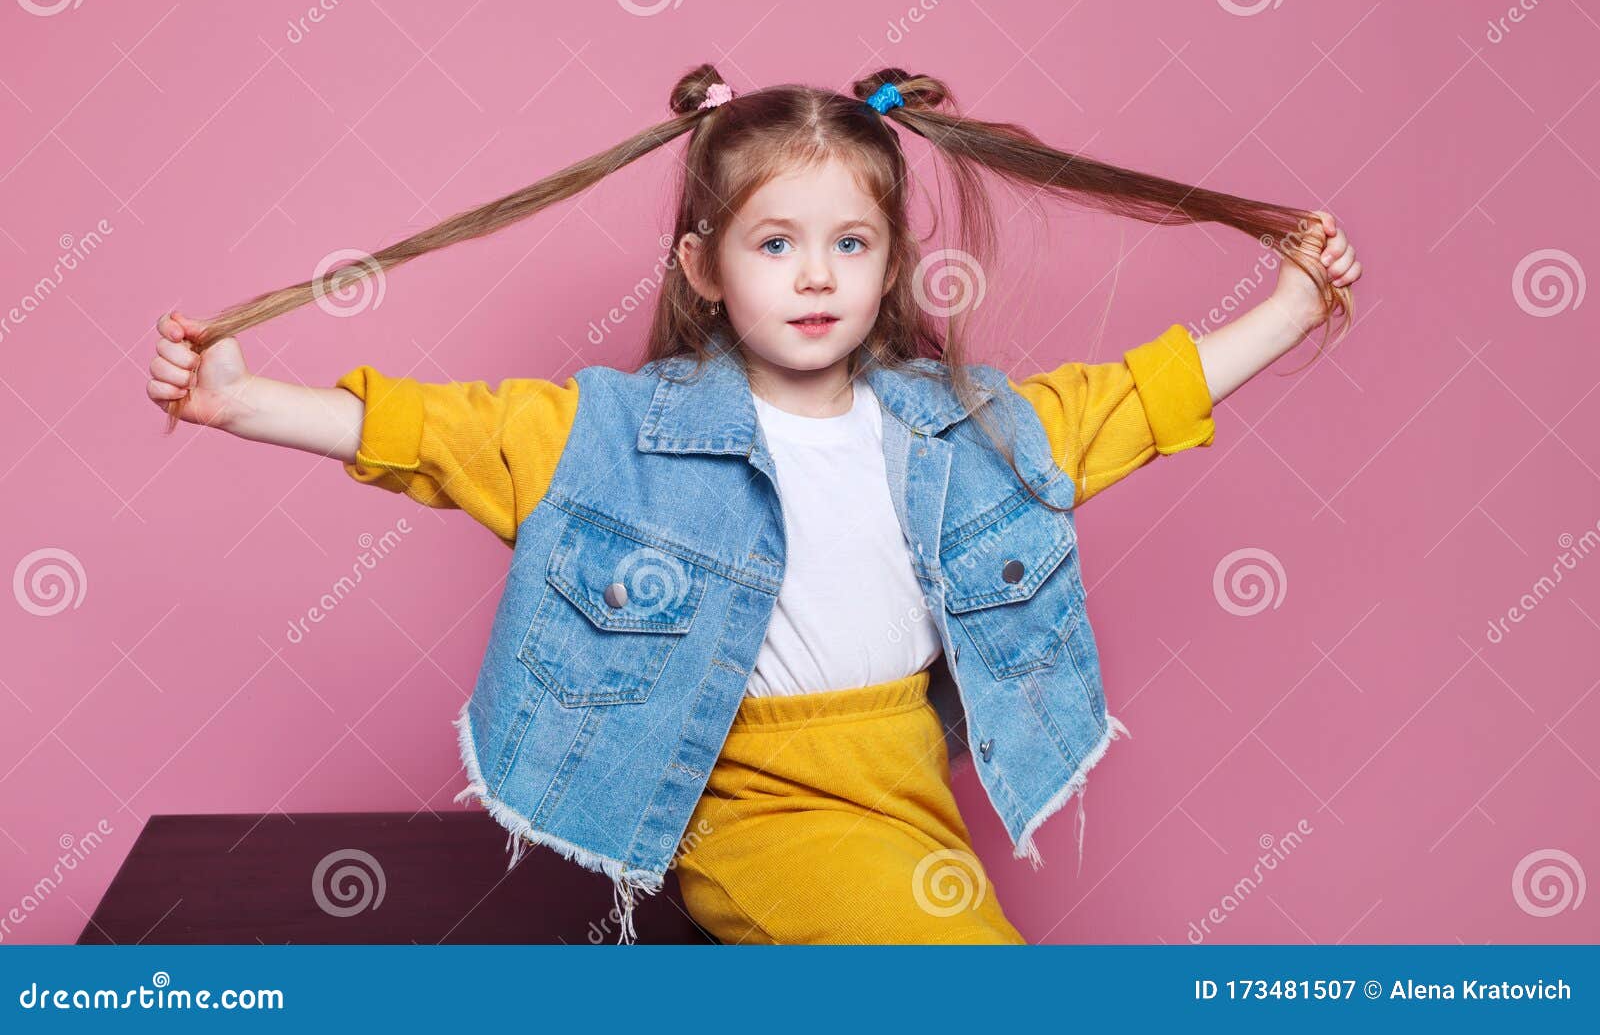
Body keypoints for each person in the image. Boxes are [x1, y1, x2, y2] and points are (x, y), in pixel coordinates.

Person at [144, 65, 1362, 944]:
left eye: (851, 242)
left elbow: (1126, 403)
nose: (818, 273)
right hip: (753, 802)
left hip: (904, 787)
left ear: (891, 263)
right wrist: (248, 405)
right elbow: (443, 433)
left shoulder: (956, 427)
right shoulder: (623, 434)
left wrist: (1290, 309)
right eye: (774, 243)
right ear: (703, 268)